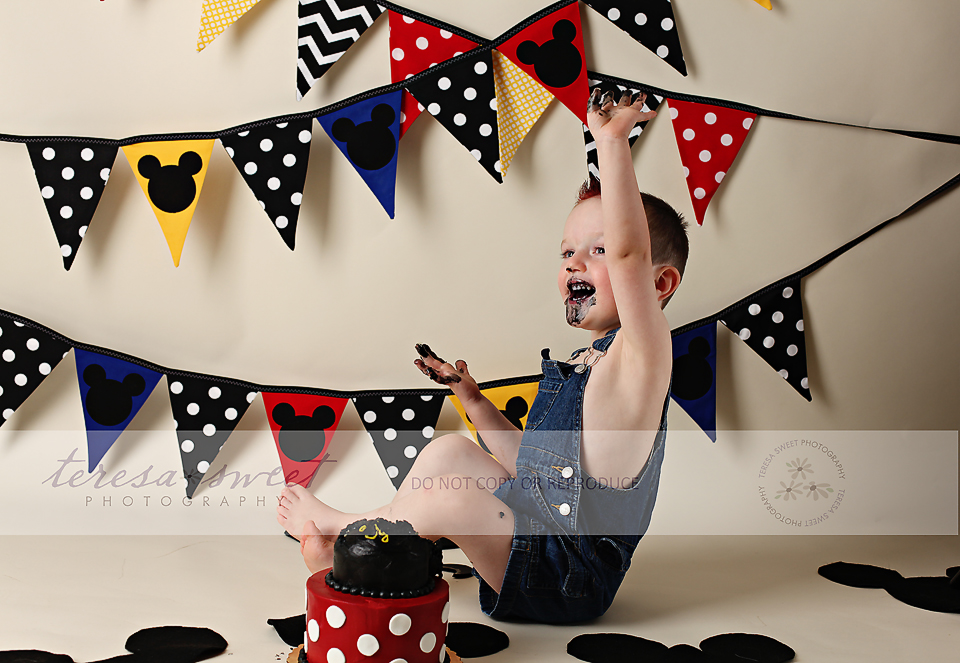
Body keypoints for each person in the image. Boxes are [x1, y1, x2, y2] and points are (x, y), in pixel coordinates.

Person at [277, 88, 688, 623]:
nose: (574, 264)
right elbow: (531, 467)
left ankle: (349, 533)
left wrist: (611, 142)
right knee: (450, 455)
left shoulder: (643, 358)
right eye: (568, 252)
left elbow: (632, 256)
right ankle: (372, 558)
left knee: (452, 502)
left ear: (659, 284)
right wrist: (472, 400)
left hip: (567, 578)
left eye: (599, 250)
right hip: (532, 537)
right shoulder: (586, 366)